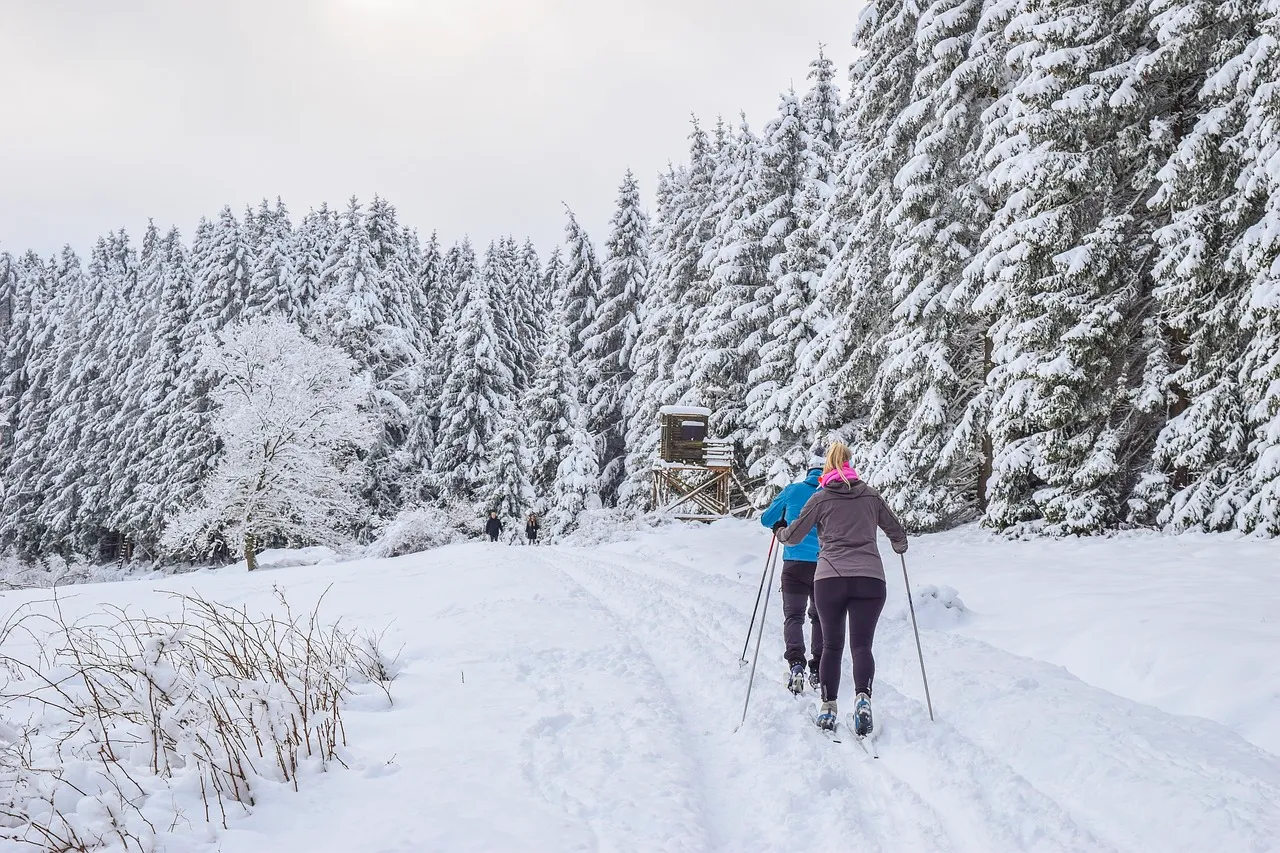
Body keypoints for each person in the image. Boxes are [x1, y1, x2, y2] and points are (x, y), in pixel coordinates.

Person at [775, 441, 907, 736]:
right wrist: (899, 546)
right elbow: (897, 533)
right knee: (862, 646)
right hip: (871, 579)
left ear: (827, 468)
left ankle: (828, 707)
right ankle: (862, 698)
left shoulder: (821, 498)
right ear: (850, 463)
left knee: (832, 645)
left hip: (830, 579)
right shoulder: (871, 496)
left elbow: (794, 535)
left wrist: (780, 532)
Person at [759, 447, 826, 694]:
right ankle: (818, 667)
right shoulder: (830, 493)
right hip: (824, 565)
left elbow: (767, 519)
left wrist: (781, 522)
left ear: (808, 470)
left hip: (794, 564)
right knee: (819, 617)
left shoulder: (793, 490)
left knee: (793, 616)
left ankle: (796, 663)